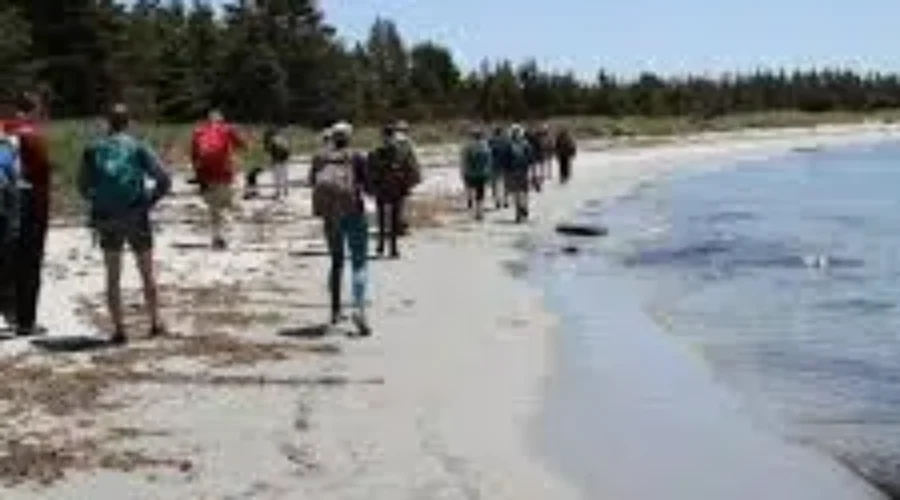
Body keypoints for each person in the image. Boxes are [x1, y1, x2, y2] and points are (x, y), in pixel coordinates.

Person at [78, 104, 171, 344]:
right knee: (147, 272)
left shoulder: (93, 149)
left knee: (112, 276)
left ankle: (119, 330)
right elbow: (164, 179)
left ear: (108, 122)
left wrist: (99, 203)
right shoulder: (138, 147)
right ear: (128, 122)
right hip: (136, 216)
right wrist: (148, 202)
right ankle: (154, 323)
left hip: (107, 218)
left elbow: (82, 186)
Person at [309, 121, 372, 336]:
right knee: (359, 263)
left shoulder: (319, 158)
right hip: (354, 212)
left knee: (336, 262)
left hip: (330, 216)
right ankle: (359, 309)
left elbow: (312, 183)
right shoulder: (357, 157)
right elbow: (369, 187)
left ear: (332, 137)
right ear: (350, 137)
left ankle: (335, 311)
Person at [3, 93, 52, 336]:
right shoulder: (33, 135)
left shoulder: (4, 130)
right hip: (31, 203)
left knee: (6, 258)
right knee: (30, 263)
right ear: (34, 110)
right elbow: (43, 169)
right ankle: (26, 321)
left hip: (5, 203)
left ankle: (8, 314)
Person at [191, 109, 245, 250]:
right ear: (221, 120)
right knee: (228, 205)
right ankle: (224, 237)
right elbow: (242, 145)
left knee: (214, 209)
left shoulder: (198, 132)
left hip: (207, 176)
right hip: (226, 174)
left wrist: (198, 176)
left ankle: (216, 237)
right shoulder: (227, 130)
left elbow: (194, 157)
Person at [368, 123, 421, 258]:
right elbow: (410, 168)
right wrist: (409, 184)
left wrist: (371, 188)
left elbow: (371, 171)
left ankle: (380, 246)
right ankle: (393, 248)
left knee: (381, 218)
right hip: (397, 186)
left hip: (381, 187)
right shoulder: (402, 150)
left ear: (382, 136)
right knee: (394, 218)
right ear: (393, 135)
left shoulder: (376, 151)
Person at [460, 126, 492, 221]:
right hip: (482, 173)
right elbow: (489, 161)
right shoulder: (486, 146)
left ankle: (470, 203)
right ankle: (480, 212)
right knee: (480, 193)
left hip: (470, 173)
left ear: (472, 136)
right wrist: (488, 172)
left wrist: (462, 171)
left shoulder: (467, 146)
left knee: (470, 189)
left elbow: (464, 161)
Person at [508, 124, 533, 223]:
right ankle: (525, 207)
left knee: (516, 192)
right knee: (524, 191)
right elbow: (531, 158)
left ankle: (518, 213)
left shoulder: (509, 145)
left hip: (513, 171)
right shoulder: (526, 144)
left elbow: (506, 159)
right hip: (524, 170)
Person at [263, 125, 292, 199]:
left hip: (277, 160)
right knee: (285, 175)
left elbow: (270, 151)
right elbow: (288, 149)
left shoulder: (272, 140)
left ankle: (278, 192)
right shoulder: (283, 138)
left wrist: (271, 161)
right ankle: (286, 190)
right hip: (284, 159)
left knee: (276, 177)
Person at [488, 125, 513, 209]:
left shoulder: (490, 141)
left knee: (495, 184)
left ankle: (497, 201)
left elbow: (488, 154)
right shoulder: (507, 141)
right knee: (506, 183)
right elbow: (511, 153)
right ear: (502, 132)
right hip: (506, 164)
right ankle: (506, 200)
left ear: (494, 133)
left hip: (494, 165)